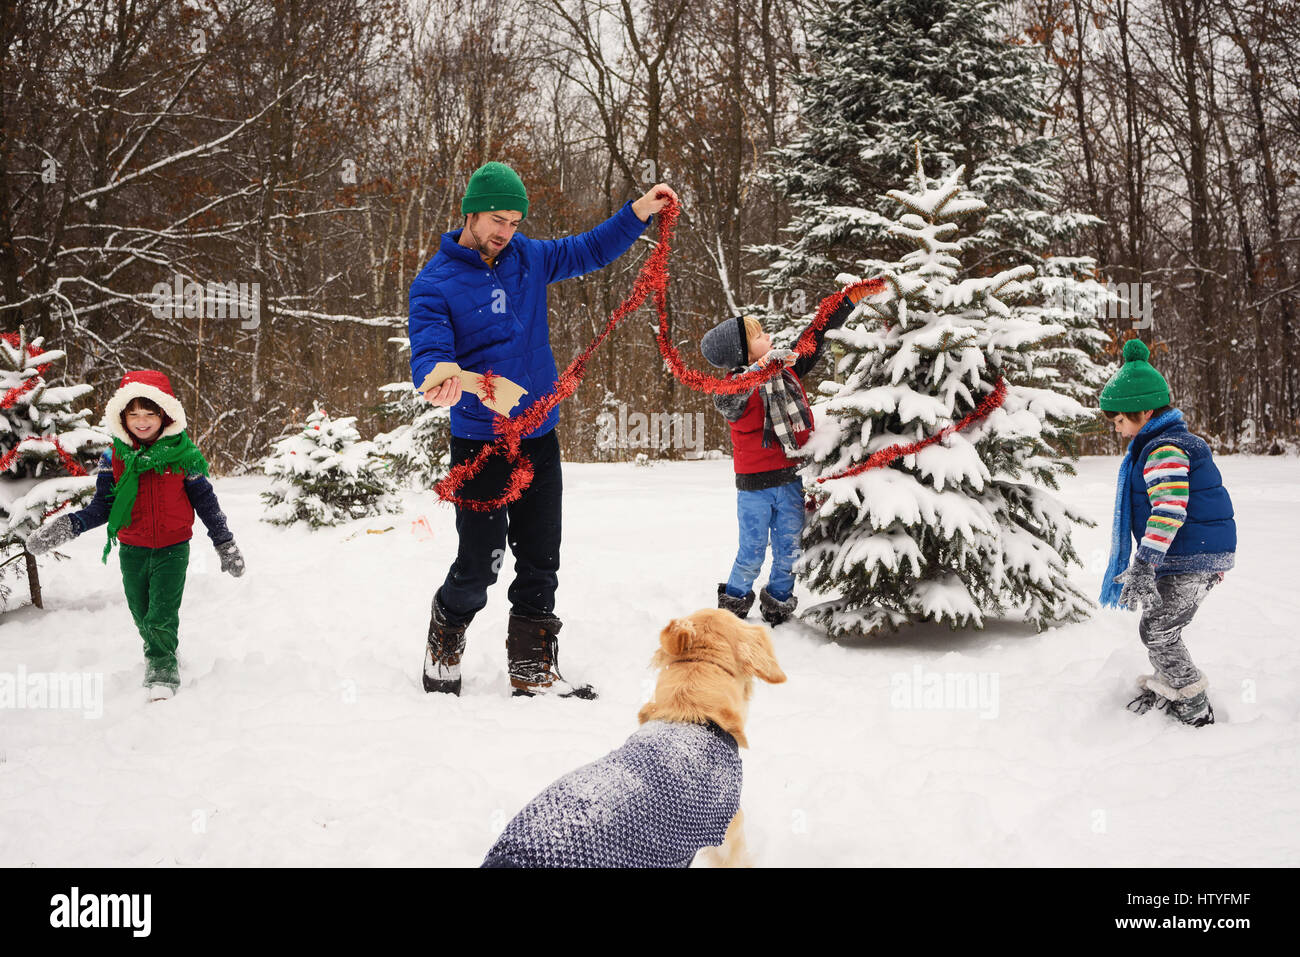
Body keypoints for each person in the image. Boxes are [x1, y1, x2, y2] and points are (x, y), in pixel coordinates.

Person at [409, 160, 678, 698]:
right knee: (478, 566)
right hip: (480, 444)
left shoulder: (528, 258)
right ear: (471, 211)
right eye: (496, 220)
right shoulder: (433, 284)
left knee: (540, 557)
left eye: (513, 221)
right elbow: (432, 355)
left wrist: (638, 213)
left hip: (538, 435)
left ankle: (532, 665)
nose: (504, 232)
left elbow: (588, 249)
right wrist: (440, 379)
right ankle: (446, 631)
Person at [26, 370, 245, 700]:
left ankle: (161, 668)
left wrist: (224, 541)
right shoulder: (113, 458)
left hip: (173, 548)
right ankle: (164, 649)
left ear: (164, 414)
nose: (142, 421)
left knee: (161, 614)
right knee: (141, 613)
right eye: (134, 414)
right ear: (122, 417)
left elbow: (205, 501)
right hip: (132, 549)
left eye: (149, 413)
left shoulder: (185, 456)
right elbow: (103, 507)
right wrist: (66, 527)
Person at [701, 285, 870, 626]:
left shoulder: (786, 369)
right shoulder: (733, 388)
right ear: (742, 354)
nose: (769, 336)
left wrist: (850, 299)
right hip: (754, 489)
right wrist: (761, 369)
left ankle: (778, 603)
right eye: (760, 335)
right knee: (750, 554)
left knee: (789, 552)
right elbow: (731, 399)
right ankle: (732, 609)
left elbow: (815, 335)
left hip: (791, 480)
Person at [1099, 338, 1235, 727]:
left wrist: (1144, 562)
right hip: (1189, 553)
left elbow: (1169, 511)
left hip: (1195, 555)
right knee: (1156, 626)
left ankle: (1193, 704)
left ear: (1144, 410)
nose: (1119, 431)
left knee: (1159, 630)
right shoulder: (1163, 444)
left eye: (1121, 421)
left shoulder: (1165, 449)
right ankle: (1169, 683)